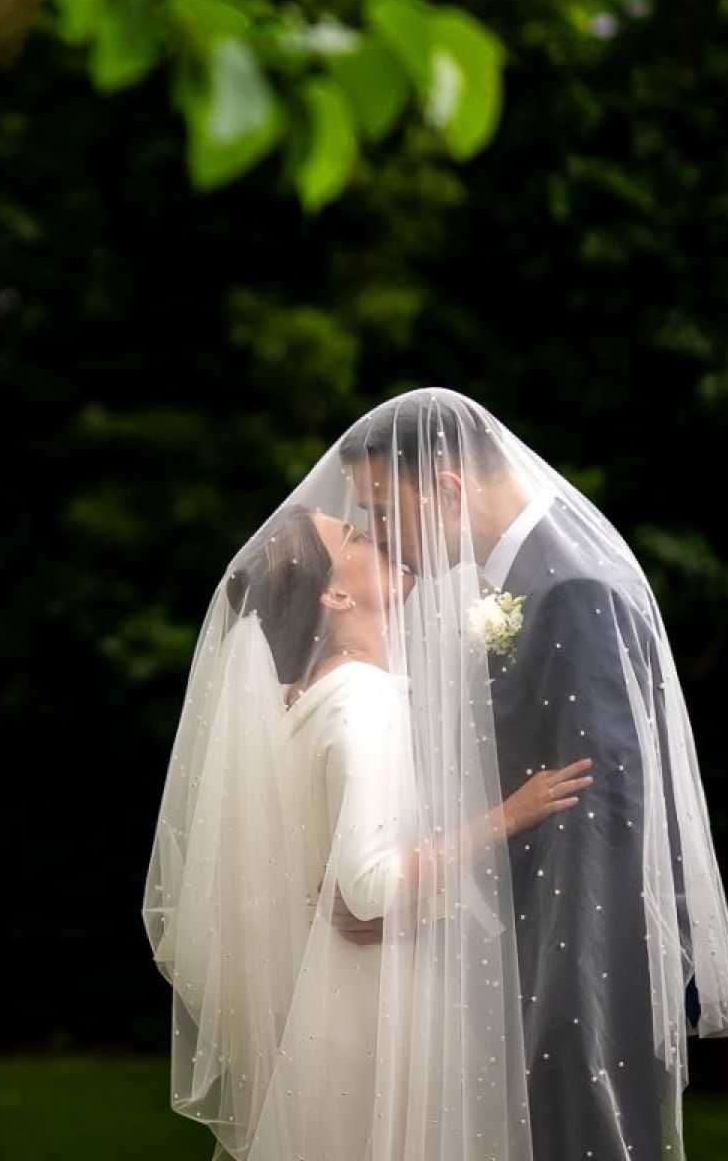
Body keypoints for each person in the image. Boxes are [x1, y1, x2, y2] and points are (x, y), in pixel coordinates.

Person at [144, 415, 591, 1161]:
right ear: (335, 600)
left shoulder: (311, 701)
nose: (372, 537)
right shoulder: (364, 702)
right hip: (377, 1021)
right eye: (350, 541)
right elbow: (369, 886)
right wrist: (505, 817)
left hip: (342, 1012)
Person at [333, 388, 728, 1161]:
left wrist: (558, 998)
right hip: (520, 955)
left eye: (386, 512)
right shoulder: (517, 576)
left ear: (449, 488)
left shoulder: (570, 586)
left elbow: (603, 822)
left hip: (570, 970)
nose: (379, 537)